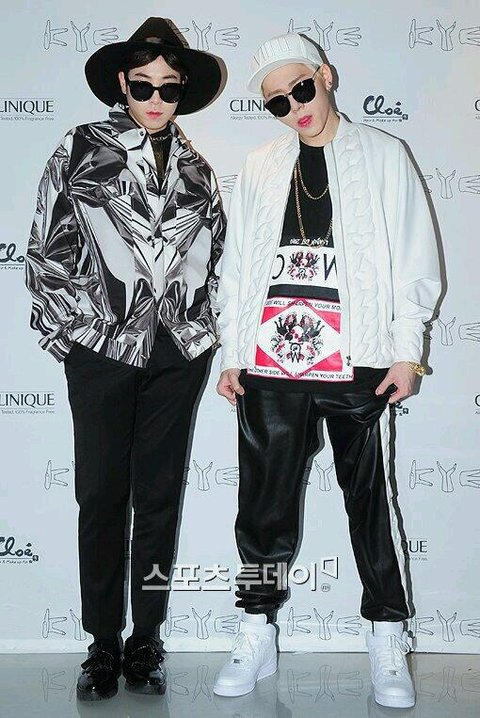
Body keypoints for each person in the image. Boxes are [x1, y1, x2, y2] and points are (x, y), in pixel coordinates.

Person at [215, 32, 441, 709]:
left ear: (326, 75)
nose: (295, 108)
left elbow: (414, 255)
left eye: (301, 89)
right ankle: (256, 628)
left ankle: (387, 634)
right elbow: (237, 267)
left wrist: (407, 349)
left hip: (359, 355)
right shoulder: (259, 165)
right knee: (262, 504)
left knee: (367, 499)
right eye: (277, 102)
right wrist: (233, 353)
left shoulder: (383, 153)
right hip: (272, 357)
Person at [25, 17, 226, 701]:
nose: (156, 99)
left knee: (160, 495)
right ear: (122, 83)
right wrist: (72, 336)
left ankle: (148, 640)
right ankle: (102, 644)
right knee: (101, 494)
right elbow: (46, 246)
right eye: (143, 85)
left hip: (177, 354)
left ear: (182, 91)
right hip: (103, 351)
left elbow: (214, 260)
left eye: (168, 88)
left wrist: (201, 334)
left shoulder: (198, 170)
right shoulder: (81, 148)